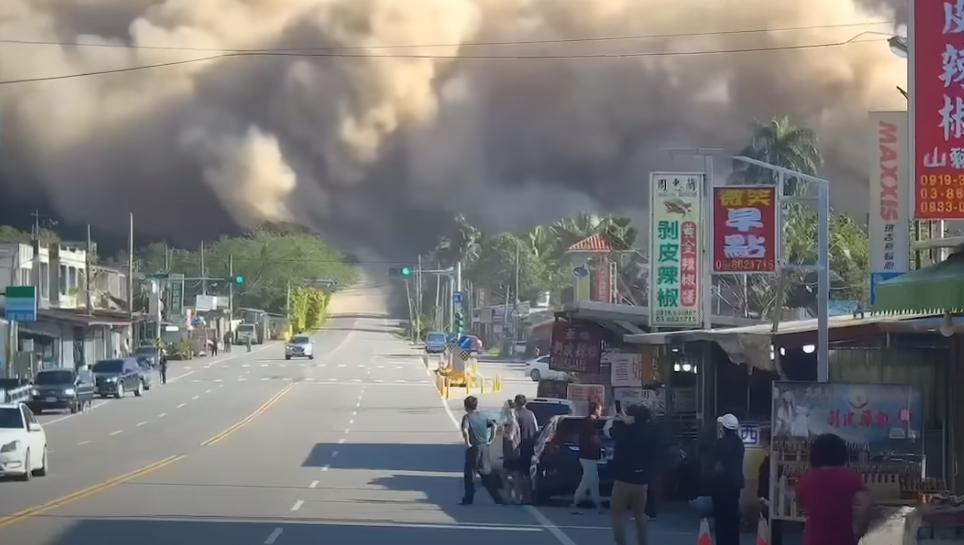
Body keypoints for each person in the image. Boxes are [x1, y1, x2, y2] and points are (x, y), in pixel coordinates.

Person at [795, 433, 871, 545]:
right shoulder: (852, 479)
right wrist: (857, 533)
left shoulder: (805, 482)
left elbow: (801, 507)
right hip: (844, 540)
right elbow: (864, 507)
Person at [605, 403, 659, 545]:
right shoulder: (651, 432)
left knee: (617, 513)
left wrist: (613, 417)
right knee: (640, 514)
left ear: (633, 417)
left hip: (623, 478)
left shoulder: (625, 430)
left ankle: (621, 543)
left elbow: (607, 431)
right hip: (642, 480)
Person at [705, 413, 746, 545]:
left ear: (723, 428)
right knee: (732, 519)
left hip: (720, 487)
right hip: (735, 486)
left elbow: (713, 466)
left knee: (721, 521)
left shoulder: (719, 445)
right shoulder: (739, 444)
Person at [460, 395, 500, 505]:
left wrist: (467, 442)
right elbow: (494, 426)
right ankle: (497, 498)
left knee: (470, 472)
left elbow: (465, 430)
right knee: (486, 473)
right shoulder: (482, 416)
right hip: (484, 447)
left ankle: (468, 498)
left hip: (474, 447)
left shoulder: (467, 417)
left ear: (466, 406)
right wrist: (491, 439)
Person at [571, 401, 604, 513]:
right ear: (595, 409)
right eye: (600, 409)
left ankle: (598, 504)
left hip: (587, 455)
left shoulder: (585, 421)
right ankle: (575, 502)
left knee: (594, 480)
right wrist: (604, 447)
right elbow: (594, 439)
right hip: (588, 455)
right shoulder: (591, 422)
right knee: (587, 480)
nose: (601, 411)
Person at [513, 394, 539, 504]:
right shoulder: (531, 414)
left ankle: (521, 497)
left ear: (516, 403)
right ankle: (528, 496)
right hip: (530, 446)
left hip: (520, 447)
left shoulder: (516, 415)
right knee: (527, 473)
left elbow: (515, 432)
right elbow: (536, 430)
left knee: (519, 474)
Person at [500, 399, 522, 504]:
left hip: (513, 453)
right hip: (508, 454)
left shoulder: (513, 423)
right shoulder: (508, 423)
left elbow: (511, 437)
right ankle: (509, 496)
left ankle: (516, 497)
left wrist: (504, 433)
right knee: (505, 475)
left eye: (506, 408)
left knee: (514, 476)